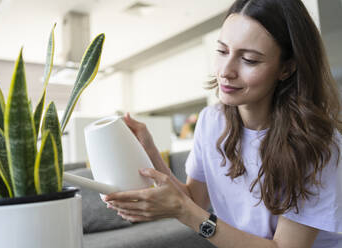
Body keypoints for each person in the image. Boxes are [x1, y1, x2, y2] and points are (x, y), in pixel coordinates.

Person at [104, 0, 342, 247]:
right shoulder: (211, 121)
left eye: (249, 59)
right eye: (222, 51)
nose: (226, 71)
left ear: (286, 68)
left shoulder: (319, 144)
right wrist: (150, 152)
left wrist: (182, 210)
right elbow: (194, 199)